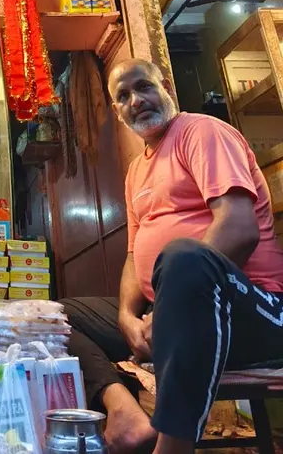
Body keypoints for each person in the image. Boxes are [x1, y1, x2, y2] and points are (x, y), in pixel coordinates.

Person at [63, 58, 283, 454]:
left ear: (165, 87)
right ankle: (125, 413)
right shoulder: (136, 171)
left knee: (184, 256)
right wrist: (128, 317)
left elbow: (239, 228)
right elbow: (134, 255)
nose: (136, 101)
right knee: (59, 317)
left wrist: (166, 310)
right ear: (116, 110)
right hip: (167, 312)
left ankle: (172, 448)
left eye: (144, 87)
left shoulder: (201, 132)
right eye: (123, 96)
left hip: (252, 310)